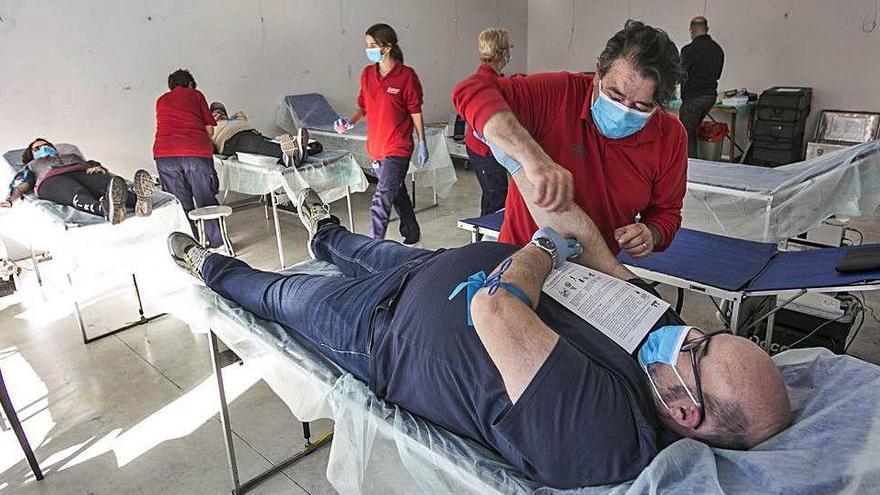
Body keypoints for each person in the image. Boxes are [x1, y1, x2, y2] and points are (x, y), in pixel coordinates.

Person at [168, 180, 791, 488]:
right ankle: (327, 235)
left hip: (383, 331)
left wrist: (545, 245)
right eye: (707, 334)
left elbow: (497, 309)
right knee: (363, 247)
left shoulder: (606, 432)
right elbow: (602, 261)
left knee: (280, 296)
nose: (687, 333)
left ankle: (212, 266)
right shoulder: (665, 345)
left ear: (687, 411)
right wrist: (553, 191)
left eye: (700, 350)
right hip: (432, 270)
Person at [453, 20, 688, 259]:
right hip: (520, 254)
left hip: (592, 270)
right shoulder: (560, 95)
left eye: (640, 106)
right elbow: (472, 91)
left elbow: (667, 211)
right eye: (614, 95)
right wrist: (533, 159)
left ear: (659, 104)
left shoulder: (670, 137)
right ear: (598, 72)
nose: (624, 111)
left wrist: (651, 232)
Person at [334, 23, 427, 245]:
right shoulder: (367, 74)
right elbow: (363, 106)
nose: (369, 50)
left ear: (388, 46)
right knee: (396, 191)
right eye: (367, 45)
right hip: (376, 147)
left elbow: (415, 110)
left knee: (382, 197)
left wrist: (422, 141)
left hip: (398, 146)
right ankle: (412, 231)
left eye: (373, 45)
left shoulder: (406, 76)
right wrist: (350, 121)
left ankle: (371, 247)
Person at [1, 138, 156, 224]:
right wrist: (10, 200)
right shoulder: (32, 166)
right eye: (37, 148)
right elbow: (22, 186)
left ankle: (138, 202)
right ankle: (106, 210)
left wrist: (97, 168)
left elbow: (93, 164)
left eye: (46, 145)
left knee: (106, 185)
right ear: (31, 154)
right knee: (76, 192)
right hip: (50, 180)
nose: (43, 148)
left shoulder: (71, 157)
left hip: (80, 171)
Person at [153, 69, 222, 247]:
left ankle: (191, 245)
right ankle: (217, 244)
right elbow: (210, 131)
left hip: (165, 155)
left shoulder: (161, 100)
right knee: (205, 198)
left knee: (180, 201)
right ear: (190, 84)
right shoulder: (196, 95)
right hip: (195, 153)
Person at [465, 28, 514, 216]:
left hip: (487, 149)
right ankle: (487, 242)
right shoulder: (485, 82)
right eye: (509, 48)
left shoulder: (495, 79)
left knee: (492, 194)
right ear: (503, 53)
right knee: (497, 197)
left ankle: (482, 238)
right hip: (483, 150)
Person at [679, 16, 725, 158]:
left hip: (694, 98)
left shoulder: (688, 50)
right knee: (692, 130)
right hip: (710, 96)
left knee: (685, 134)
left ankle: (690, 168)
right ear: (707, 29)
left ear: (691, 31)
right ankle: (697, 164)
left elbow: (680, 74)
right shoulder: (718, 50)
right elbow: (717, 75)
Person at [209, 102, 307, 167]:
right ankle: (287, 156)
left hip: (249, 134)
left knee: (267, 142)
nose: (218, 115)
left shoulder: (234, 121)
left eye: (220, 112)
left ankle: (304, 151)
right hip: (230, 141)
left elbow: (241, 116)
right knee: (257, 144)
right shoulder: (209, 128)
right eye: (214, 114)